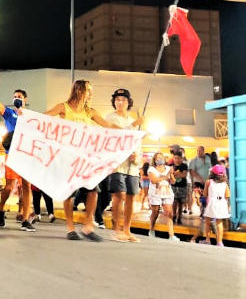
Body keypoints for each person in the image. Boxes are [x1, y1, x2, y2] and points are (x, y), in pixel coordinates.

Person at [44, 80, 123, 241]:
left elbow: (107, 125)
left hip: (86, 159)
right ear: (79, 91)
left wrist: (130, 133)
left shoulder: (90, 112)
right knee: (69, 194)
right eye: (88, 90)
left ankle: (88, 226)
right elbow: (44, 118)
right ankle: (70, 228)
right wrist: (25, 116)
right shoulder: (63, 108)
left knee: (93, 191)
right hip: (68, 159)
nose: (91, 93)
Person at [0, 71, 36, 232]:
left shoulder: (30, 116)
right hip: (12, 154)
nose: (17, 98)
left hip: (26, 154)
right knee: (9, 187)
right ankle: (1, 210)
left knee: (26, 186)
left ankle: (25, 218)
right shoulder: (9, 113)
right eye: (15, 96)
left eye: (20, 96)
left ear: (25, 100)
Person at [104, 88, 144, 242]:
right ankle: (116, 230)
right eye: (117, 100)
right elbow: (118, 134)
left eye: (123, 100)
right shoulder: (110, 118)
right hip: (117, 164)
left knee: (131, 197)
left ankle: (127, 230)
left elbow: (138, 143)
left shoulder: (132, 120)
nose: (120, 102)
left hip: (132, 166)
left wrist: (138, 158)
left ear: (129, 102)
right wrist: (135, 124)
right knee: (118, 195)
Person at [147, 152, 179, 241]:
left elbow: (173, 182)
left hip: (167, 193)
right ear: (154, 159)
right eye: (157, 158)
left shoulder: (168, 168)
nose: (160, 159)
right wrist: (165, 177)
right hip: (155, 193)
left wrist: (171, 175)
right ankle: (151, 229)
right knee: (155, 212)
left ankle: (171, 235)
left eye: (161, 157)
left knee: (169, 213)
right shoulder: (151, 169)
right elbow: (154, 180)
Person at [201, 165, 230, 246]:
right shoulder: (225, 183)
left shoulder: (208, 182)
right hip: (222, 203)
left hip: (212, 203)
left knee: (207, 221)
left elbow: (205, 194)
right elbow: (228, 195)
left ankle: (207, 240)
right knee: (219, 222)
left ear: (212, 173)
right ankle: (220, 242)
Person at [188, 146, 211, 215]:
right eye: (197, 151)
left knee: (206, 196)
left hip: (207, 181)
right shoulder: (194, 160)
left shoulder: (208, 158)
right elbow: (192, 172)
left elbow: (210, 169)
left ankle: (205, 211)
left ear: (203, 151)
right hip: (198, 182)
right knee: (200, 197)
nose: (198, 152)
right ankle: (202, 211)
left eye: (200, 150)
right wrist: (200, 179)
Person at [170, 152, 188, 225]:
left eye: (178, 158)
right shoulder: (171, 166)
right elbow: (170, 175)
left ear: (181, 158)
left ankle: (179, 217)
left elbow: (184, 175)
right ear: (173, 158)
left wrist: (174, 173)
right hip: (173, 186)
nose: (177, 160)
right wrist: (177, 174)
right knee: (174, 202)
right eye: (175, 158)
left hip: (182, 186)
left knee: (181, 202)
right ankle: (174, 215)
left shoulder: (184, 166)